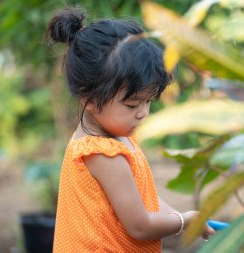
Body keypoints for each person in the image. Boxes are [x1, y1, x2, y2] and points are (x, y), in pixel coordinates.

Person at [47, 7, 214, 253]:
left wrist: (179, 215)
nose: (143, 112)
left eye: (149, 101)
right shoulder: (102, 154)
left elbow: (144, 200)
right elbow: (140, 226)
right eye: (132, 104)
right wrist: (183, 221)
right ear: (89, 98)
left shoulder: (114, 137)